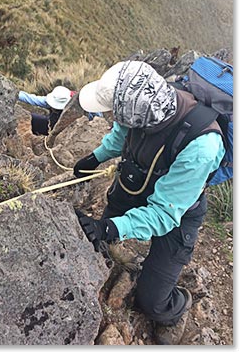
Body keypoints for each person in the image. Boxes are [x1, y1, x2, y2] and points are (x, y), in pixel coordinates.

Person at [73, 60, 225, 345]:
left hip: (176, 210)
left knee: (152, 301)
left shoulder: (202, 146)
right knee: (101, 246)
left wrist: (109, 227)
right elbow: (122, 133)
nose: (112, 117)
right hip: (137, 181)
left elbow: (163, 214)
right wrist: (96, 158)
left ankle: (178, 306)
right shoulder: (146, 103)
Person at [18, 85, 103, 136]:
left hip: (75, 133)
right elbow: (31, 99)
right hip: (53, 129)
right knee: (31, 118)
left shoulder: (81, 104)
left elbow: (98, 115)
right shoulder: (48, 102)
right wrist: (12, 92)